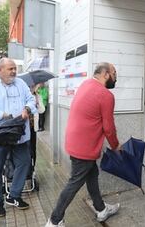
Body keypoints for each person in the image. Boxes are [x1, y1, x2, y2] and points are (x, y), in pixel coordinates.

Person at [45, 62, 121, 227]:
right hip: (85, 147)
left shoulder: (86, 84)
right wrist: (116, 146)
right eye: (114, 73)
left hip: (75, 142)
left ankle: (101, 209)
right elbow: (108, 128)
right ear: (106, 74)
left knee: (92, 175)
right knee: (75, 183)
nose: (116, 77)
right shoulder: (106, 95)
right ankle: (54, 220)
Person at [0, 58, 37, 217]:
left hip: (19, 134)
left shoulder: (21, 83)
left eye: (14, 68)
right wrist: (5, 116)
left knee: (24, 162)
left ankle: (14, 196)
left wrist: (27, 108)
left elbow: (31, 99)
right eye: (10, 68)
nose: (13, 71)